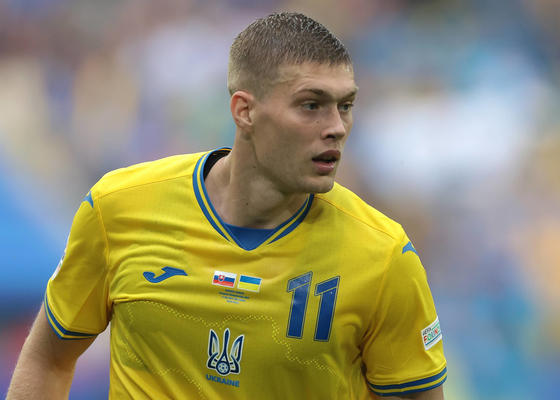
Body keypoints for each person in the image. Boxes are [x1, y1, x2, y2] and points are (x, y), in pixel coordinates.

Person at [7, 12, 446, 400]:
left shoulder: (383, 256)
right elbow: (48, 357)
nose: (337, 127)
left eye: (345, 106)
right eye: (311, 105)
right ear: (244, 111)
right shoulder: (118, 207)